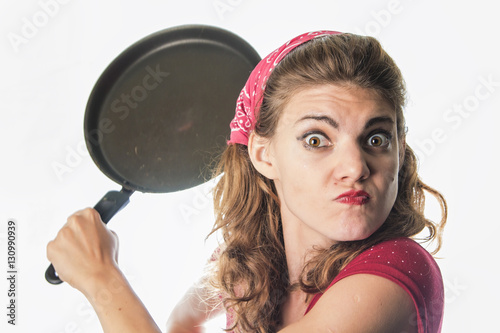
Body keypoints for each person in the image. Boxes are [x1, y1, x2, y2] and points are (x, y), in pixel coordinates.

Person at [47, 30, 447, 333]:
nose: (356, 167)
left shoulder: (395, 273)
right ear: (263, 154)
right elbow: (182, 323)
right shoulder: (249, 267)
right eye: (316, 139)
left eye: (376, 138)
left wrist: (102, 280)